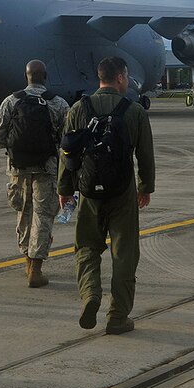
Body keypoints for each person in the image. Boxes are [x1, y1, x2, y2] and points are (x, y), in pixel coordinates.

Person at [59, 56, 155, 334]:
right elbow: (145, 154)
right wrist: (145, 186)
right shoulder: (134, 110)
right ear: (121, 77)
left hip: (89, 191)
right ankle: (117, 316)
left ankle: (90, 295)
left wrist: (65, 190)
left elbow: (67, 153)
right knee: (124, 252)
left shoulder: (78, 108)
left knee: (87, 246)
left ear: (99, 77)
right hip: (122, 191)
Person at [0, 60, 70, 287]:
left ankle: (26, 258)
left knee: (24, 213)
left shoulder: (11, 101)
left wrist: (14, 147)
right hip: (47, 168)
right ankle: (36, 266)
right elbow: (68, 140)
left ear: (26, 77)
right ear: (45, 76)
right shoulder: (59, 103)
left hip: (18, 169)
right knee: (43, 216)